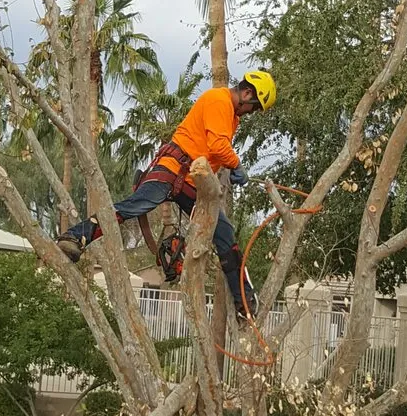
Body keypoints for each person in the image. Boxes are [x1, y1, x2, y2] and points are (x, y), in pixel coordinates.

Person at [57, 69, 276, 320]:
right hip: (173, 168)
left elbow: (214, 150)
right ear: (248, 93)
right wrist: (236, 164)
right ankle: (74, 237)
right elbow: (218, 145)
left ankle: (243, 303)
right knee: (134, 206)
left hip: (193, 179)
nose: (252, 112)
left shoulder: (231, 116)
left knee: (224, 233)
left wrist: (230, 165)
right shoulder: (219, 101)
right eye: (255, 107)